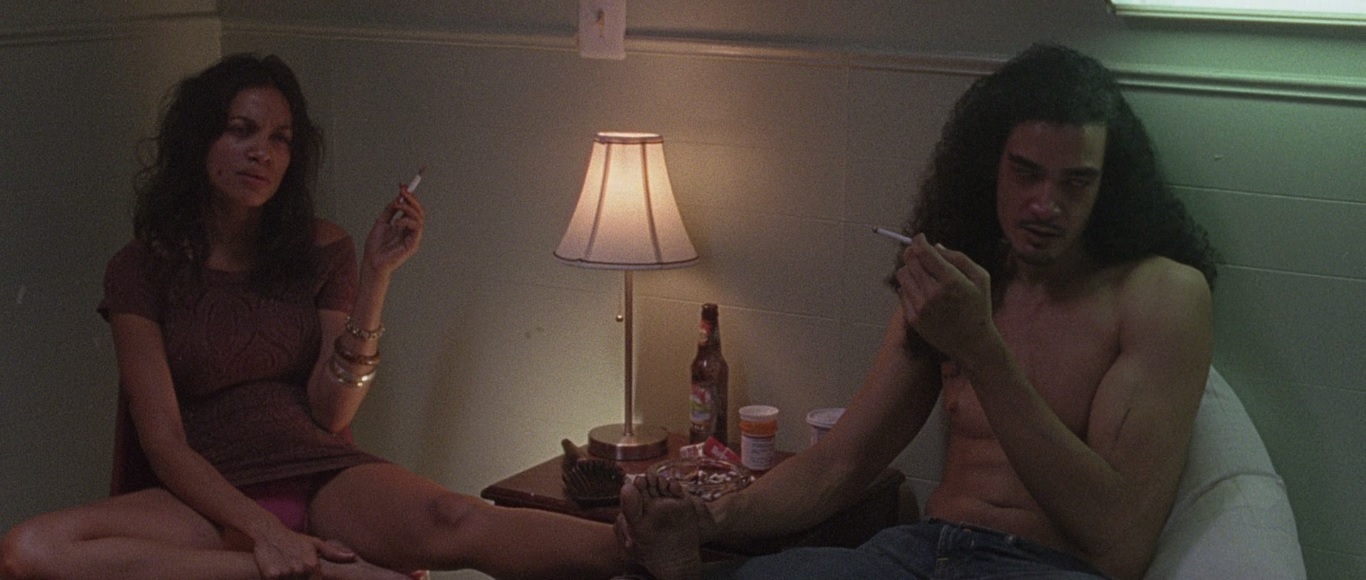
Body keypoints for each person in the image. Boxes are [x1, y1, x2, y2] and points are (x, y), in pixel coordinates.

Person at [0, 54, 626, 580]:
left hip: (316, 469)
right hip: (206, 492)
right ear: (199, 141)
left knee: (456, 518)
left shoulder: (322, 248)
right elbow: (162, 441)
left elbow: (331, 414)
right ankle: (322, 570)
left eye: (280, 139)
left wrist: (377, 276)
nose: (262, 153)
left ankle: (642, 546)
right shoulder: (139, 268)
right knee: (28, 549)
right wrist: (267, 535)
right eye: (241, 131)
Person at [615, 43, 1219, 580]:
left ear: (1108, 184)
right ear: (991, 168)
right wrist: (711, 519)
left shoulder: (1161, 295)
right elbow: (842, 463)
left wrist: (980, 347)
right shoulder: (959, 279)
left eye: (1076, 183)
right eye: (1026, 173)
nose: (1046, 204)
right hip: (921, 552)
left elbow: (1116, 536)